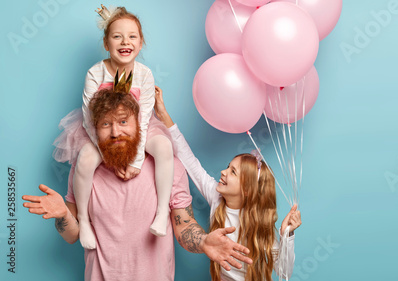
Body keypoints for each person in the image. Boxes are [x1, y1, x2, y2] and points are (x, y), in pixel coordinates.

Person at [23, 88, 252, 281]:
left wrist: (203, 242)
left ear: (139, 125)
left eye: (123, 121)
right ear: (95, 129)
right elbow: (72, 235)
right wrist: (63, 214)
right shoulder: (84, 171)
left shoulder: (169, 167)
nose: (115, 132)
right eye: (106, 124)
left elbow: (183, 226)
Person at [52, 5, 174, 250]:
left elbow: (146, 117)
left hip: (136, 128)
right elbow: (89, 119)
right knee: (86, 159)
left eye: (132, 36)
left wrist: (135, 160)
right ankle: (84, 221)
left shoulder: (145, 75)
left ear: (141, 43)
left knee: (163, 146)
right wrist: (110, 155)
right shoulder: (95, 73)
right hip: (101, 131)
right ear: (106, 43)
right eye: (117, 36)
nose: (124, 41)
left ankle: (161, 214)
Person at [154, 87, 302, 281]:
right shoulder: (217, 199)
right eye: (228, 167)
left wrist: (287, 235)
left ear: (247, 190)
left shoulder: (261, 226)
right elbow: (190, 161)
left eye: (233, 172)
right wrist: (163, 114)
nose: (223, 172)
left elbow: (284, 272)